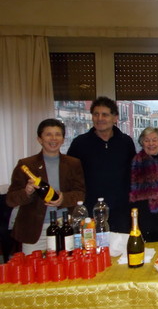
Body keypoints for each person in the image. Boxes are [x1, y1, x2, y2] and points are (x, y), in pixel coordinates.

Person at [7, 119, 85, 254]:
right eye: (48, 134)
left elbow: (80, 193)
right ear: (39, 139)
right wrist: (26, 192)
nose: (53, 138)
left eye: (58, 134)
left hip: (66, 226)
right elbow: (11, 199)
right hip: (36, 230)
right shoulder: (26, 165)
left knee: (68, 270)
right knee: (35, 272)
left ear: (63, 139)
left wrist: (63, 199)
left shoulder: (73, 163)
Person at [67, 96, 136, 233]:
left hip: (121, 211)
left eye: (105, 114)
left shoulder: (126, 142)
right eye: (96, 114)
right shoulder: (79, 144)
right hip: (90, 211)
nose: (100, 118)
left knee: (121, 251)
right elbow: (70, 176)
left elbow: (133, 174)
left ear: (115, 118)